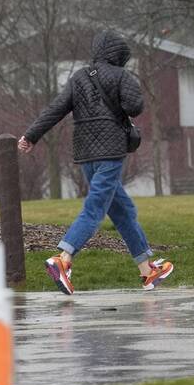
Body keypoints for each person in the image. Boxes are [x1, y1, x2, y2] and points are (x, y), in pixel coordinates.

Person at [18, 30, 173, 295]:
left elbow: (56, 108)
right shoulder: (122, 76)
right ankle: (63, 259)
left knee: (123, 211)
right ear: (119, 55)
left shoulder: (79, 77)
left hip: (86, 155)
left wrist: (31, 135)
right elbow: (135, 106)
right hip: (110, 153)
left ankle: (147, 271)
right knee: (95, 209)